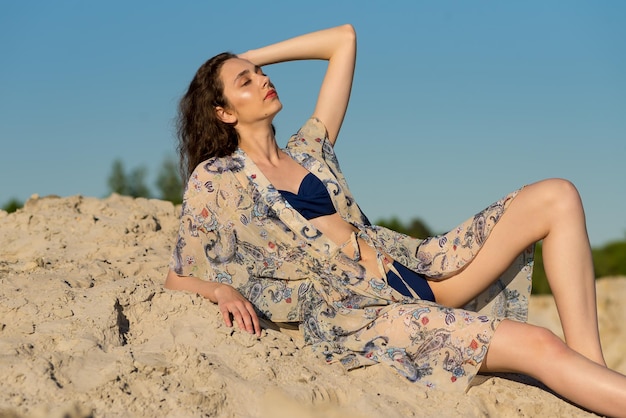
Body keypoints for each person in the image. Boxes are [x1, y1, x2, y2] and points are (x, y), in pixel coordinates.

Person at [164, 24, 626, 416]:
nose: (263, 79)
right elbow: (177, 277)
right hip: (367, 315)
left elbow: (343, 40)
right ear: (223, 113)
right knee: (539, 343)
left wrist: (245, 57)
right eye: (246, 82)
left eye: (260, 73)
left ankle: (595, 372)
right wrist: (220, 289)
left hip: (416, 270)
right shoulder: (218, 177)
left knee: (558, 196)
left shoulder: (309, 151)